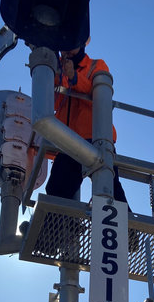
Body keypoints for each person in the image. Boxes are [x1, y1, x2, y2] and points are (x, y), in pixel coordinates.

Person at [45, 44, 129, 204]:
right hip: (67, 140)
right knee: (56, 190)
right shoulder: (60, 72)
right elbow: (54, 104)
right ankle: (61, 227)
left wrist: (74, 78)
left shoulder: (96, 65)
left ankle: (129, 228)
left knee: (109, 187)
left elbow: (100, 92)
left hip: (95, 136)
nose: (67, 49)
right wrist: (49, 71)